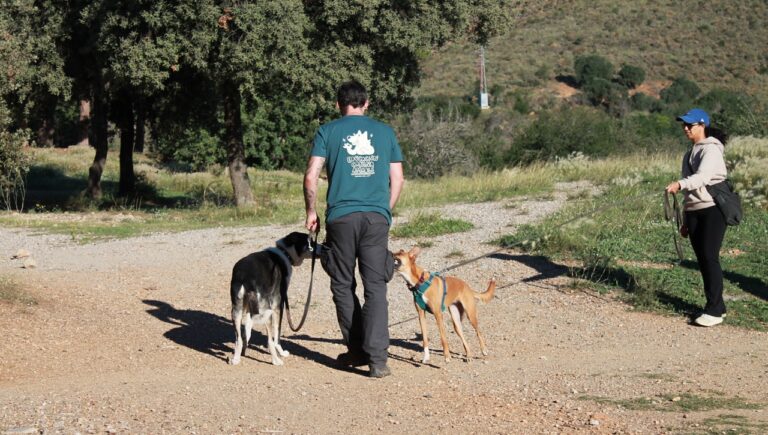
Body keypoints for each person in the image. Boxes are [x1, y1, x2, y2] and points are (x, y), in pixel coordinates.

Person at [304, 80, 405, 377]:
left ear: (338, 105)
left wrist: (311, 211)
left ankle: (357, 350)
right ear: (367, 103)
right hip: (376, 219)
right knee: (376, 287)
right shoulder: (385, 132)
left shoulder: (327, 131)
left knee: (342, 284)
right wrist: (385, 209)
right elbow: (397, 179)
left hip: (341, 219)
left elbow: (311, 177)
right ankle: (378, 361)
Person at [665, 108, 728, 327]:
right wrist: (684, 219)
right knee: (703, 259)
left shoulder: (711, 150)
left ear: (702, 125)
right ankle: (718, 306)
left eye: (689, 125)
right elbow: (689, 191)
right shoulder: (688, 153)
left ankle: (713, 311)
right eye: (683, 125)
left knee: (710, 257)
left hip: (712, 210)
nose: (685, 128)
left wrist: (680, 184)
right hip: (693, 211)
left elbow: (702, 177)